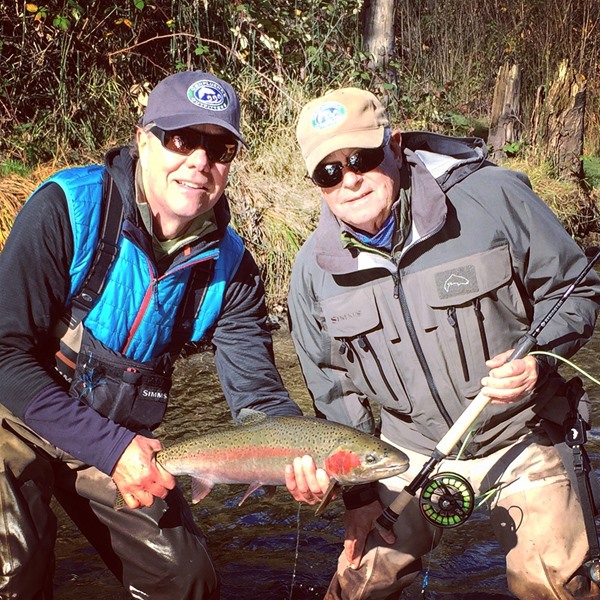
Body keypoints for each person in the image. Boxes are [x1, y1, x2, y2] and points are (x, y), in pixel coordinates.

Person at [0, 71, 311, 599]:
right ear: (144, 140)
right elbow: (3, 355)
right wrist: (113, 448)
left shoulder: (231, 270)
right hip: (16, 413)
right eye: (181, 140)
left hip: (116, 432)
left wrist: (301, 456)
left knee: (185, 579)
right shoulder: (66, 209)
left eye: (220, 148)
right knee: (13, 570)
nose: (200, 162)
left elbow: (258, 397)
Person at [286, 86, 600, 599]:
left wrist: (539, 363)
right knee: (359, 586)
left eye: (362, 157)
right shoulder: (311, 274)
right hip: (403, 453)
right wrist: (358, 495)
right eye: (330, 171)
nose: (351, 179)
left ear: (395, 143)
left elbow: (575, 286)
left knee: (551, 584)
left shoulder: (492, 197)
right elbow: (335, 393)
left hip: (524, 436)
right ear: (316, 183)